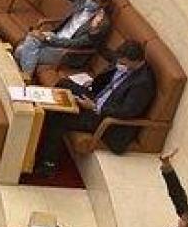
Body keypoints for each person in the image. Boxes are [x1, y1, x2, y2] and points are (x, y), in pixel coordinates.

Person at [33, 40, 157, 176]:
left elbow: (127, 111)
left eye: (123, 63)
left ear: (136, 61)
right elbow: (109, 80)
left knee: (57, 118)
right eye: (119, 62)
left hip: (105, 118)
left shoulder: (143, 83)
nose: (119, 65)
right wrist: (92, 84)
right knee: (64, 83)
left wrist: (95, 107)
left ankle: (48, 163)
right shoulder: (124, 63)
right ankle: (39, 124)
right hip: (96, 98)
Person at [14, 0, 114, 79]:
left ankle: (26, 78)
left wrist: (49, 38)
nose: (89, 1)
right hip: (57, 37)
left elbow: (77, 43)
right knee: (26, 44)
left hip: (68, 51)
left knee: (22, 50)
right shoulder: (83, 0)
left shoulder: (102, 24)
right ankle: (26, 77)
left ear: (104, 3)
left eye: (94, 1)